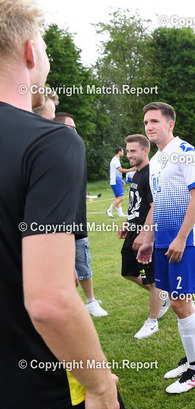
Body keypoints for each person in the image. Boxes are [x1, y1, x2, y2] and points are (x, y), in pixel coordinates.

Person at [0, 0, 126, 409]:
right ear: (29, 51)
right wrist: (100, 385)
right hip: (37, 390)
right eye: (45, 47)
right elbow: (49, 301)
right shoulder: (49, 142)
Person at [135, 102, 195, 394]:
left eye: (154, 121)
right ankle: (193, 358)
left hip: (183, 241)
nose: (149, 126)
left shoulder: (185, 151)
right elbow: (158, 204)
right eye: (146, 122)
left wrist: (181, 237)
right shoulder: (156, 160)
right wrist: (149, 239)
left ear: (170, 124)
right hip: (163, 241)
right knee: (181, 302)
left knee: (179, 302)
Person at [54, 112, 108, 318]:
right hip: (57, 226)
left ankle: (91, 301)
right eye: (72, 128)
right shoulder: (49, 157)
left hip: (77, 222)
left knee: (83, 265)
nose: (76, 132)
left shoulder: (75, 152)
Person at [117, 134, 170, 339]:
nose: (129, 155)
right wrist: (128, 222)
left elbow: (155, 207)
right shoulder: (137, 173)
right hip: (133, 231)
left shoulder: (150, 173)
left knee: (153, 278)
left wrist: (145, 234)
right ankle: (163, 295)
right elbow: (137, 204)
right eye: (127, 151)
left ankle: (152, 321)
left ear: (145, 151)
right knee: (128, 272)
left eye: (133, 151)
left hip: (146, 235)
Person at [107, 146, 135, 218]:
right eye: (122, 151)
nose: (123, 153)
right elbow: (120, 170)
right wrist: (132, 169)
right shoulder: (115, 160)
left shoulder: (116, 160)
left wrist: (121, 180)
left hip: (117, 180)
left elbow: (117, 172)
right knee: (121, 198)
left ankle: (120, 213)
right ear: (119, 152)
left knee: (118, 198)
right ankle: (109, 210)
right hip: (115, 181)